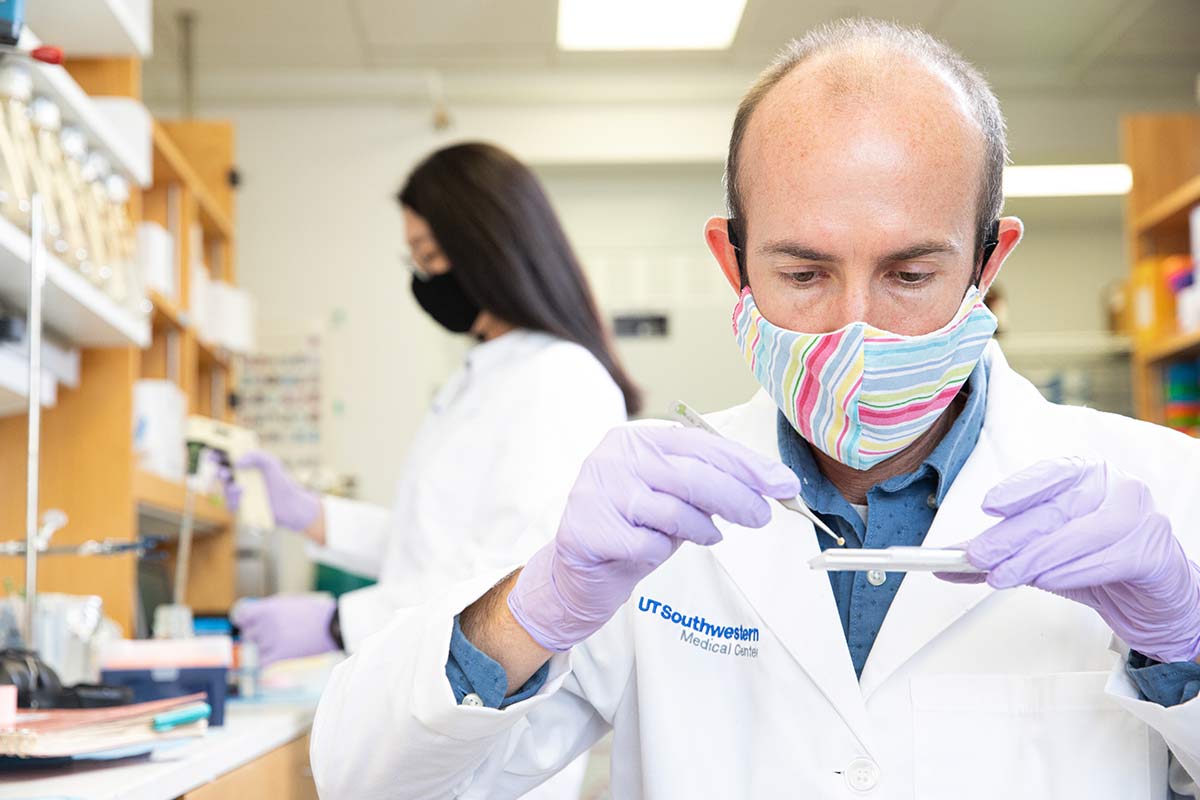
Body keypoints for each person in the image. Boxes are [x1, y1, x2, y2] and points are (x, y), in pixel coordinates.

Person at [310, 19, 1200, 800]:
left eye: (911, 275)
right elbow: (365, 778)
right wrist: (539, 606)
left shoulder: (1161, 492)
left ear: (986, 261)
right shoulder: (646, 514)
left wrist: (1184, 650)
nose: (855, 329)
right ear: (732, 264)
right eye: (803, 274)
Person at [229, 144, 638, 671]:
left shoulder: (558, 379)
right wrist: (313, 517)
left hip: (495, 718)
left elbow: (514, 578)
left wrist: (337, 622)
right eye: (416, 260)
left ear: (488, 245)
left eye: (431, 257)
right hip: (433, 688)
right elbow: (430, 549)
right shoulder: (480, 377)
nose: (424, 279)